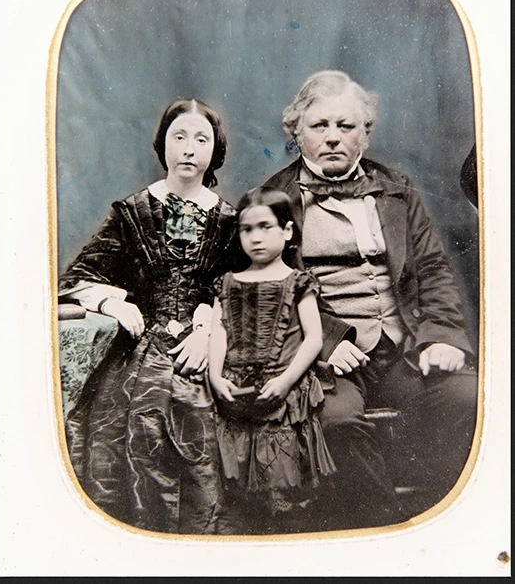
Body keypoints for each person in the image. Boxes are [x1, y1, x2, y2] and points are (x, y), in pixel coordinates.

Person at [263, 70, 478, 529]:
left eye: (346, 126)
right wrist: (325, 341)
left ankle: (439, 528)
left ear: (366, 133)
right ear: (296, 132)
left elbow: (434, 269)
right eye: (320, 126)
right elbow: (272, 290)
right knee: (336, 424)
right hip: (326, 360)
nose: (333, 138)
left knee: (470, 399)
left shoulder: (397, 188)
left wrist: (443, 337)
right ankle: (383, 536)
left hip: (403, 348)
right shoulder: (271, 200)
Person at [59, 98, 239, 534]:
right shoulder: (132, 213)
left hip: (209, 348)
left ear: (215, 151)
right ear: (163, 145)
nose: (189, 149)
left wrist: (207, 331)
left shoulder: (231, 219)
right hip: (138, 346)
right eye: (179, 137)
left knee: (194, 410)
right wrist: (114, 303)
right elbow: (76, 276)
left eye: (201, 139)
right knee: (137, 413)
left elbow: (239, 287)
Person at [208, 187, 337, 534]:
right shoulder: (229, 282)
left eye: (266, 227)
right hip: (235, 390)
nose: (255, 237)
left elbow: (314, 338)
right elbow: (219, 330)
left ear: (287, 231)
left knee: (283, 484)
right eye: (247, 229)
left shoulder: (297, 282)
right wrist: (215, 376)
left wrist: (285, 381)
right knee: (236, 487)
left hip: (282, 391)